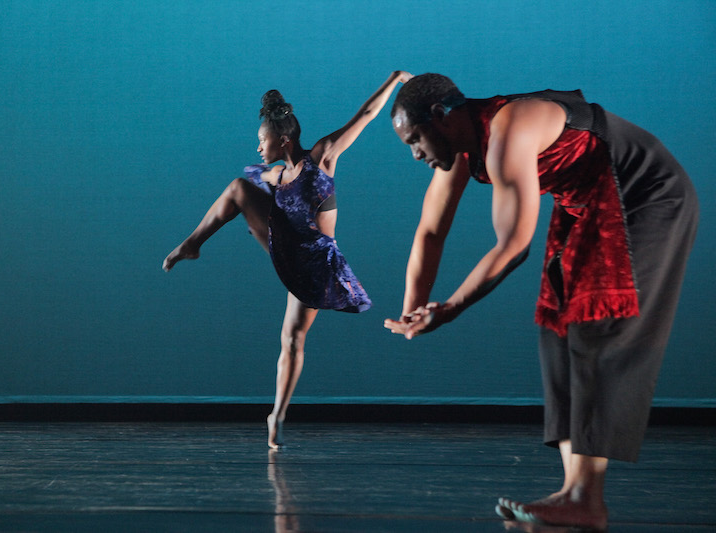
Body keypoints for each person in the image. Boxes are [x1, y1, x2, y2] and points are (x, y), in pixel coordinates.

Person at [384, 73, 698, 530]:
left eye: (415, 140)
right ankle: (575, 493)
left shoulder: (508, 128)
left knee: (598, 323)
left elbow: (513, 245)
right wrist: (414, 309)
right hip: (585, 204)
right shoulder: (459, 147)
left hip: (645, 192)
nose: (415, 154)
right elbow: (431, 233)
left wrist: (449, 309)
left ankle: (585, 498)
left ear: (441, 117)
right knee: (555, 328)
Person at [164, 71, 412, 449]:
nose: (257, 147)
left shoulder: (322, 157)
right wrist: (256, 218)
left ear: (283, 139)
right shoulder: (277, 175)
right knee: (240, 189)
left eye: (262, 140)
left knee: (293, 339)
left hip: (314, 264)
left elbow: (363, 115)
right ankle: (192, 244)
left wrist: (394, 80)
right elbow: (244, 197)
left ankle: (277, 415)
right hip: (287, 250)